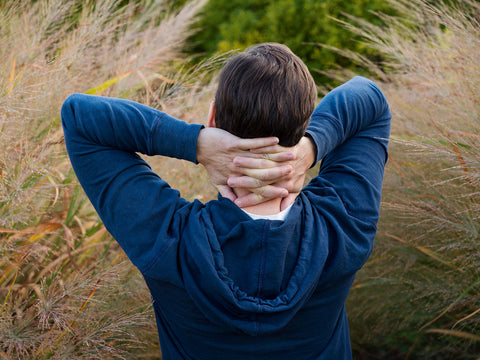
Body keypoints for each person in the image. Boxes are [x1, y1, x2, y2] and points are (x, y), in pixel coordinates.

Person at [61, 43, 391, 359]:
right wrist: (312, 148)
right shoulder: (341, 228)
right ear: (304, 125)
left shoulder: (169, 241)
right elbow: (370, 99)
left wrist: (195, 143)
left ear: (213, 117)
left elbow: (80, 119)